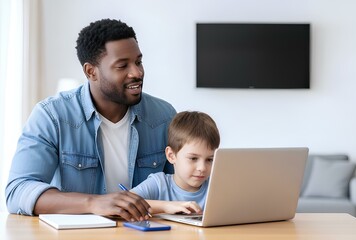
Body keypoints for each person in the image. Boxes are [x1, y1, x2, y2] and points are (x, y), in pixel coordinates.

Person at [5, 19, 176, 222]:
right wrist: (93, 203)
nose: (137, 72)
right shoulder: (52, 116)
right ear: (90, 71)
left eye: (138, 61)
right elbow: (18, 191)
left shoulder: (163, 116)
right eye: (122, 66)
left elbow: (183, 186)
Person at [131, 111, 220, 215]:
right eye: (193, 158)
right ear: (171, 156)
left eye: (209, 159)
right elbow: (126, 203)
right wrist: (165, 206)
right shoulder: (159, 183)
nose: (202, 168)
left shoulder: (215, 186)